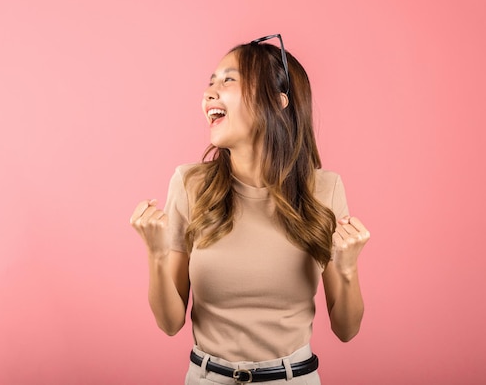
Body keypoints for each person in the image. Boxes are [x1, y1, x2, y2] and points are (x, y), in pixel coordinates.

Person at [130, 34, 370, 385]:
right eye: (210, 82)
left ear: (276, 101)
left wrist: (347, 270)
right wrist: (155, 252)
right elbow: (169, 323)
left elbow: (347, 329)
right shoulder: (189, 184)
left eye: (228, 80)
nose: (209, 93)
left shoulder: (324, 190)